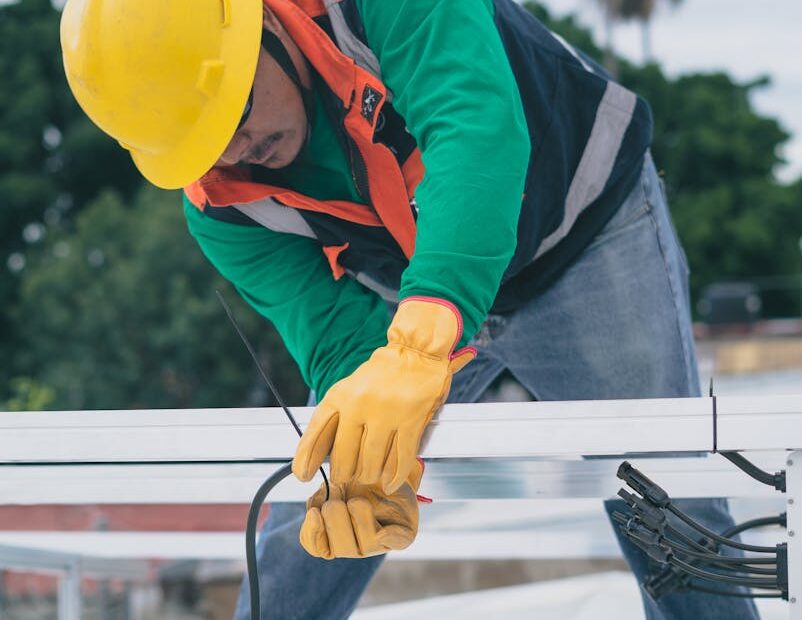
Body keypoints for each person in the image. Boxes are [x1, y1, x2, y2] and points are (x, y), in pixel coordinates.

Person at [60, 0, 760, 618]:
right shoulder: (222, 208)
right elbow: (337, 341)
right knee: (320, 513)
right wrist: (374, 467)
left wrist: (425, 338)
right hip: (412, 305)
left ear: (265, 24)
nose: (239, 149)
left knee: (666, 499)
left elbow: (474, 131)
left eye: (236, 112)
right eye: (207, 140)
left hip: (579, 234)